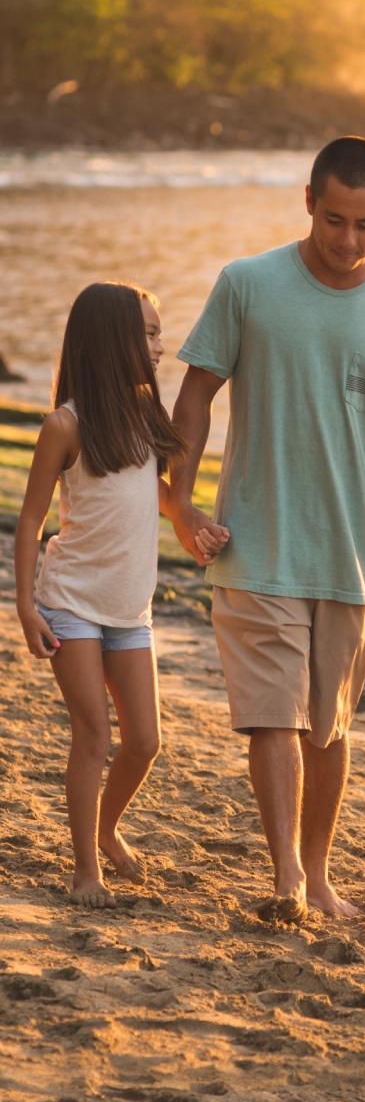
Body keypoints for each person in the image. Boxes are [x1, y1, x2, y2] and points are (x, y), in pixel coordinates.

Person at [168, 135, 365, 926]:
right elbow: (195, 394)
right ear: (308, 201)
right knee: (275, 716)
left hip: (348, 553)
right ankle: (286, 878)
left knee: (328, 729)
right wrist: (182, 500)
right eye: (334, 219)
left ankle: (320, 871)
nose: (347, 240)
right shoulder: (247, 284)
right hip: (253, 542)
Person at [14, 283, 224, 908]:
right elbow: (30, 521)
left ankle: (107, 830)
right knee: (94, 737)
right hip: (71, 603)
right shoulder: (64, 426)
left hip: (131, 611)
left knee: (145, 742)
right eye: (152, 335)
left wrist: (189, 521)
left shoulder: (143, 413)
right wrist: (26, 605)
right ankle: (85, 870)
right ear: (113, 341)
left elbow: (151, 490)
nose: (163, 347)